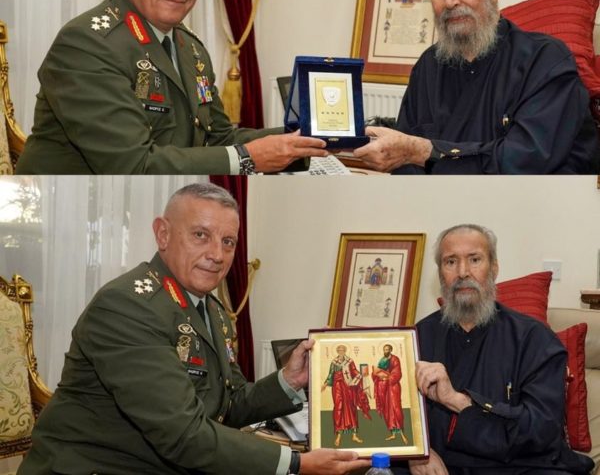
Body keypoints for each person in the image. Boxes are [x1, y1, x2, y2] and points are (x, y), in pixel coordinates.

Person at [18, 183, 370, 475]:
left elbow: (227, 405)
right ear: (163, 234)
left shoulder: (210, 310)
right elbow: (182, 433)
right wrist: (295, 464)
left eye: (228, 242)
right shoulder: (128, 306)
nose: (217, 254)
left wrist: (289, 381)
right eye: (201, 235)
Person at [16, 0, 327, 175]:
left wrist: (316, 138)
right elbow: (132, 164)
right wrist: (248, 159)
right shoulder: (86, 44)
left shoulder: (190, 48)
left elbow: (219, 138)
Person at [354, 0, 598, 174]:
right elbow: (404, 160)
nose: (450, 1)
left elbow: (524, 161)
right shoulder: (427, 65)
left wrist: (426, 152)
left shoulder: (544, 59)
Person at [398, 224, 594, 475]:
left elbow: (541, 430)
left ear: (494, 268)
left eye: (474, 259)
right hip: (440, 466)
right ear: (440, 275)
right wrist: (418, 453)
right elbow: (393, 416)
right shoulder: (417, 337)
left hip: (518, 467)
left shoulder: (534, 339)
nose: (463, 272)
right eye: (451, 262)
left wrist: (456, 400)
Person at [321, 344, 372, 447]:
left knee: (351, 407)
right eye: (339, 350)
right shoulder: (334, 362)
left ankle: (354, 435)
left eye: (342, 350)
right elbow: (330, 374)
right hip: (337, 387)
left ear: (345, 351)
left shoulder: (349, 361)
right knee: (338, 408)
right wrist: (325, 384)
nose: (341, 352)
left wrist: (361, 375)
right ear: (337, 351)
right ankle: (338, 435)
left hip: (348, 387)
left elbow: (355, 372)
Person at [372, 344, 408, 444]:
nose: (385, 351)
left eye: (387, 349)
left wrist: (388, 378)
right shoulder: (382, 360)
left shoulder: (395, 359)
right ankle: (393, 433)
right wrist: (376, 374)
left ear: (390, 350)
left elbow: (397, 372)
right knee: (387, 409)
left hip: (393, 387)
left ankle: (402, 434)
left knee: (395, 408)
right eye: (384, 349)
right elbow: (378, 371)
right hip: (384, 388)